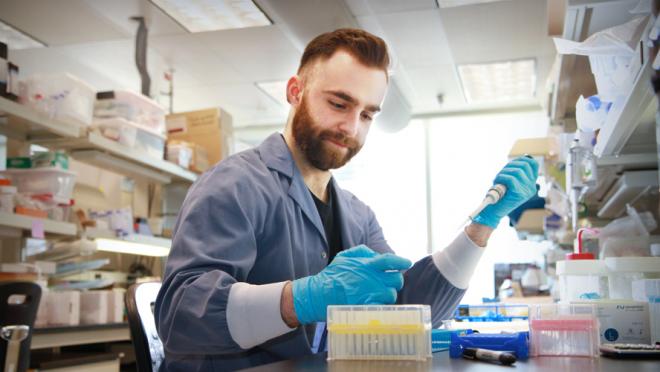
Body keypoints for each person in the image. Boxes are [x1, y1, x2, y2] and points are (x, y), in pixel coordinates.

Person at [154, 28, 538, 371]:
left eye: (367, 115)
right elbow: (178, 318)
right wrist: (299, 299)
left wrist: (481, 226)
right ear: (295, 91)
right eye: (339, 104)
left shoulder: (357, 215)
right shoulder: (234, 185)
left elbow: (406, 312)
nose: (351, 128)